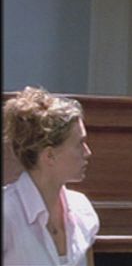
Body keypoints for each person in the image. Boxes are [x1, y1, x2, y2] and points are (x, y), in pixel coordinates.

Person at [3, 86, 99, 266]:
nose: (87, 152)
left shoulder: (82, 209)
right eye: (79, 144)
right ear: (49, 155)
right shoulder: (7, 213)